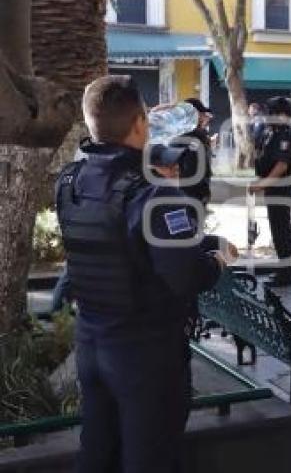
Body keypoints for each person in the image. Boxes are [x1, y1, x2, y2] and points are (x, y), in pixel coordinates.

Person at [56, 76, 233, 473]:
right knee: (150, 456)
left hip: (91, 342)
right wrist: (217, 259)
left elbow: (121, 244)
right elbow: (184, 277)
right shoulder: (157, 194)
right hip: (146, 351)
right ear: (140, 123)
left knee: (98, 451)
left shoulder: (70, 182)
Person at [250, 96, 291, 287]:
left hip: (281, 188)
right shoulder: (272, 131)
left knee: (282, 229)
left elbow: (282, 165)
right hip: (273, 187)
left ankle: (287, 272)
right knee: (278, 228)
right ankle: (284, 267)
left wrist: (262, 184)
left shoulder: (285, 134)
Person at [175, 97, 215, 207]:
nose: (203, 117)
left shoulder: (180, 132)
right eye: (201, 114)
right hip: (192, 192)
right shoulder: (194, 135)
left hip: (189, 191)